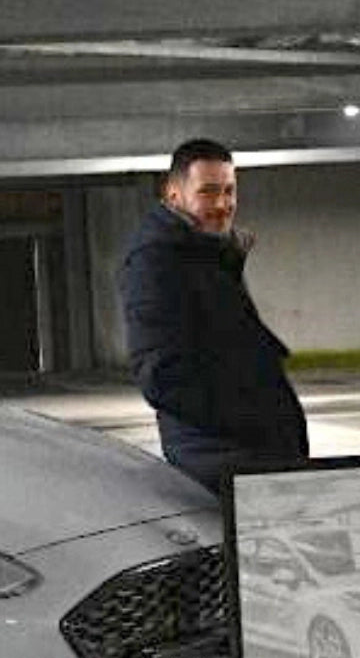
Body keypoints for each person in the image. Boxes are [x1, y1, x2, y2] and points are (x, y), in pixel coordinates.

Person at [119, 137, 308, 494]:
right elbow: (161, 375)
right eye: (207, 192)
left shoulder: (206, 254)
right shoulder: (157, 261)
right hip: (221, 464)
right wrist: (252, 420)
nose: (222, 204)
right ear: (174, 194)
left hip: (244, 458)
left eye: (229, 191)